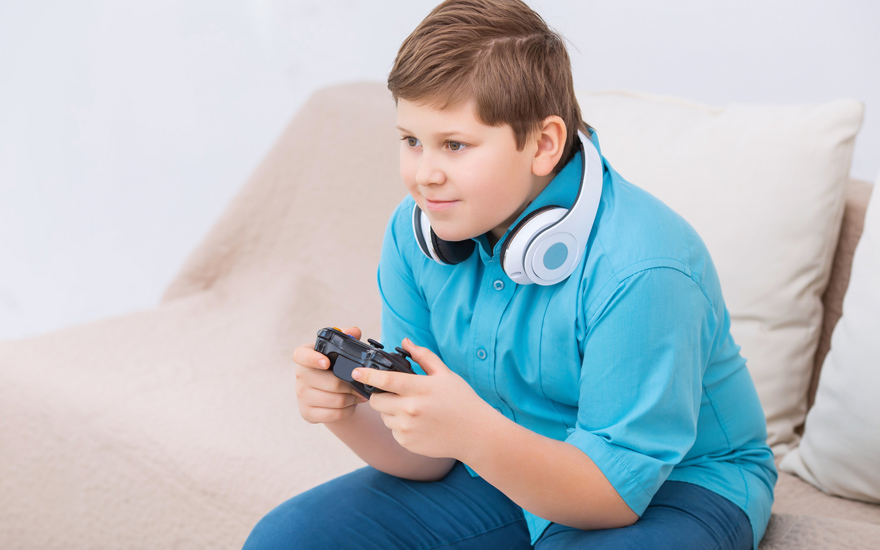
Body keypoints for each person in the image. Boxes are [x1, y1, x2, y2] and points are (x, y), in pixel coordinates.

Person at [243, 0, 777, 548]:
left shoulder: (644, 266)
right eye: (411, 141)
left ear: (543, 144)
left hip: (670, 489)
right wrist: (347, 413)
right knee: (286, 538)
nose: (424, 175)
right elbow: (431, 453)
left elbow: (612, 495)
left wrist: (471, 433)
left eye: (455, 144)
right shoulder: (415, 232)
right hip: (494, 458)